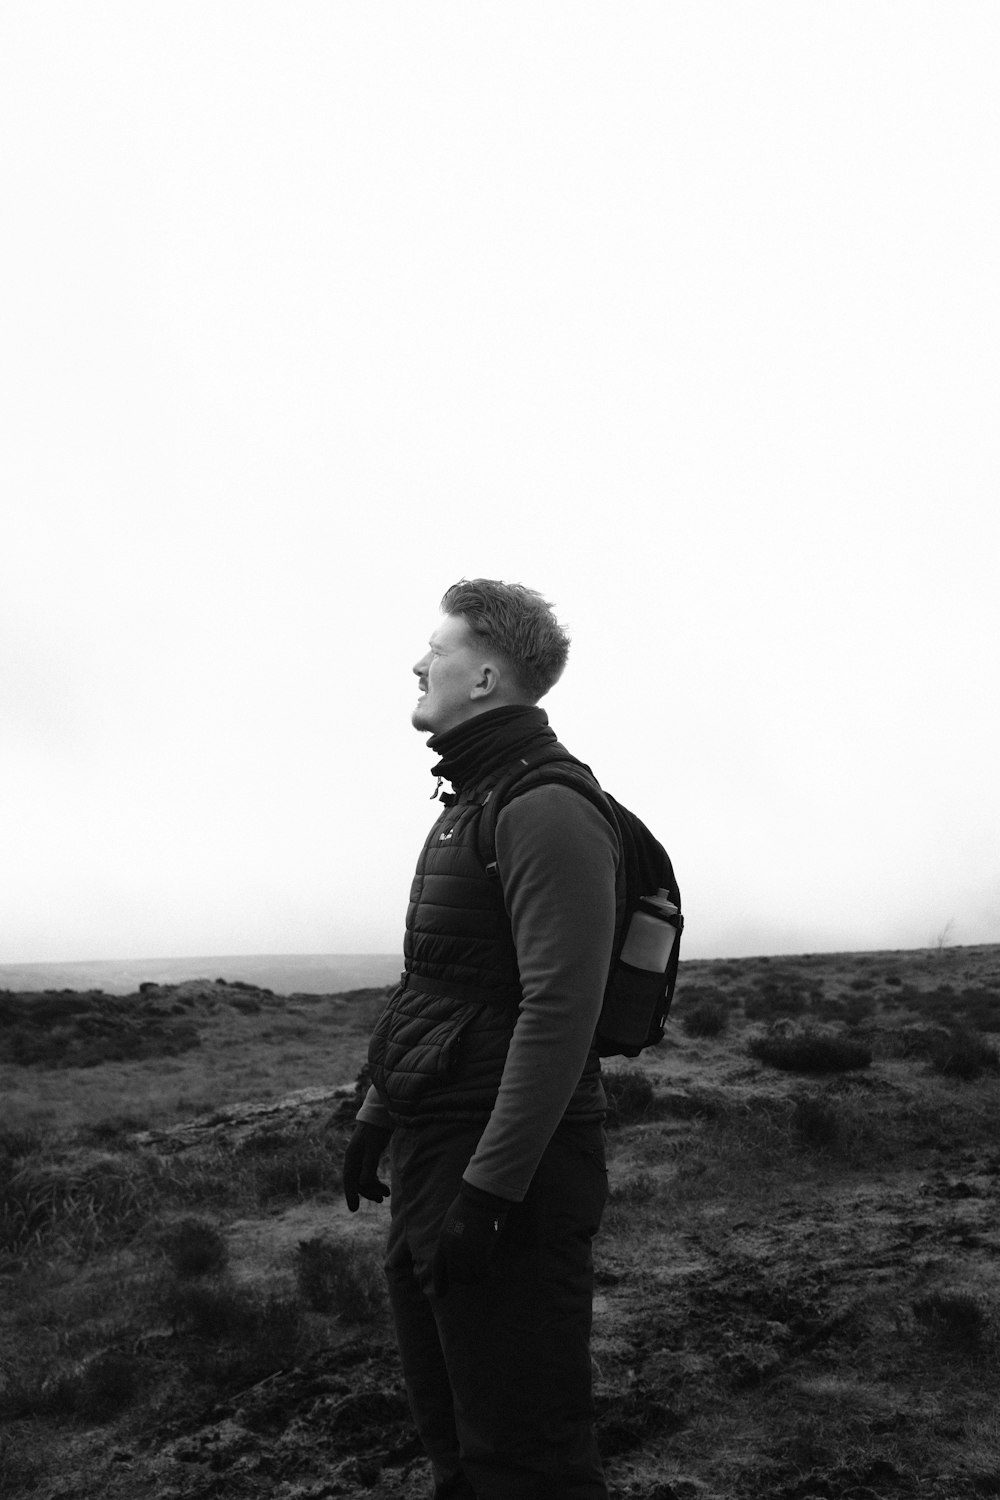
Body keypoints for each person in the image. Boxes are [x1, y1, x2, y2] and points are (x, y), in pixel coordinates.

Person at [343, 578, 620, 1500]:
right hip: (439, 1145)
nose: (420, 663)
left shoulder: (545, 807)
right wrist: (379, 1117)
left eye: (440, 648)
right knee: (455, 1432)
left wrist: (491, 1194)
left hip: (507, 1167)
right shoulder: (470, 800)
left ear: (487, 675)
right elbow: (441, 981)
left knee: (524, 1452)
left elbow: (560, 1014)